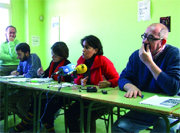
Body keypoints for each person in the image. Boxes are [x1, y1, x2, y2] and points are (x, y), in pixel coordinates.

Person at [112, 23, 180, 133]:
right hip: (146, 108)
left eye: (151, 38)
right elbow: (123, 78)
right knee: (119, 127)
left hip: (169, 110)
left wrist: (149, 62)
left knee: (162, 128)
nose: (145, 41)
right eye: (144, 36)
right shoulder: (136, 55)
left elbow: (173, 88)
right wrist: (130, 87)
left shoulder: (174, 54)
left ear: (162, 42)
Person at [10, 42, 72, 133]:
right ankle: (27, 123)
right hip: (50, 92)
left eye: (54, 55)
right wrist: (41, 73)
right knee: (36, 101)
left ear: (62, 55)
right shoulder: (53, 62)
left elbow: (68, 82)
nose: (52, 57)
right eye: (52, 55)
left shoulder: (67, 64)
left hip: (61, 95)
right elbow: (46, 75)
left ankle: (40, 126)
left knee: (46, 110)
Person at [66, 35, 119, 132]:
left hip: (103, 100)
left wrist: (109, 83)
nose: (83, 50)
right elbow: (76, 78)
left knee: (87, 115)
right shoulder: (81, 61)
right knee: (69, 113)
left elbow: (117, 79)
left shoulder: (103, 61)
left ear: (96, 50)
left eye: (87, 47)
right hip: (86, 99)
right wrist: (80, 81)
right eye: (83, 47)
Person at [0, 42, 41, 121]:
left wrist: (21, 75)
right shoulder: (22, 60)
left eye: (19, 54)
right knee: (6, 101)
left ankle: (30, 122)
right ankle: (27, 121)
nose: (18, 57)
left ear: (27, 53)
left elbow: (31, 74)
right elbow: (19, 71)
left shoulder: (34, 57)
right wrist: (16, 73)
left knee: (20, 105)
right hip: (23, 89)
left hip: (32, 90)